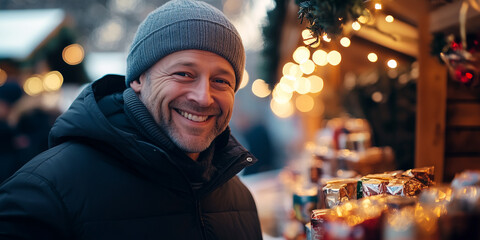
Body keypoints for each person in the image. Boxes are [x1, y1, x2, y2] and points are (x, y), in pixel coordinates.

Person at [0, 0, 262, 239]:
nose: (203, 97)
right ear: (138, 79)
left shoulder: (239, 201)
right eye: (184, 73)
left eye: (221, 81)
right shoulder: (45, 194)